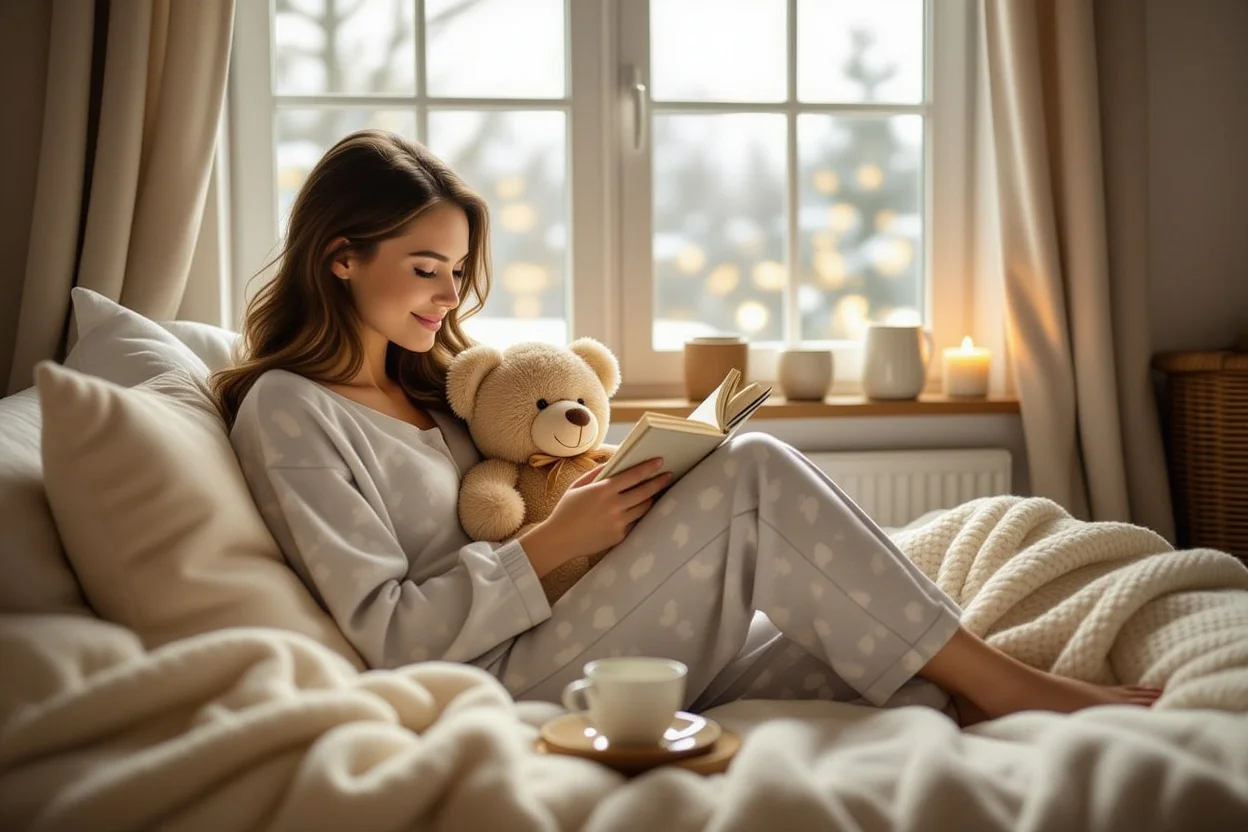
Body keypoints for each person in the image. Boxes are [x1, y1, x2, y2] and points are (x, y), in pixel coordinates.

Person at [214, 130, 1160, 724]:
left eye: (457, 272)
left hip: (554, 626)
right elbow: (388, 635)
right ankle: (1009, 687)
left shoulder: (436, 395)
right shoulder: (290, 410)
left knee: (879, 655)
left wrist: (592, 504)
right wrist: (549, 544)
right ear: (340, 259)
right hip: (491, 677)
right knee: (753, 472)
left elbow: (505, 518)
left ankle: (970, 682)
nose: (448, 295)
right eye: (425, 267)